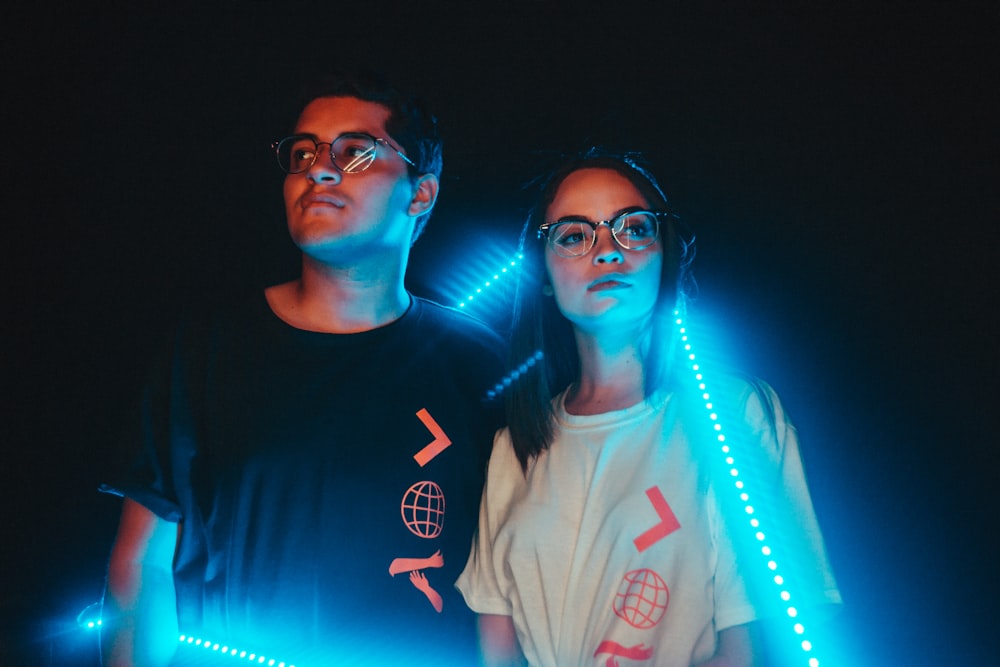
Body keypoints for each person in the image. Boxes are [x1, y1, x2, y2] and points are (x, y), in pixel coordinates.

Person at [99, 71, 505, 667]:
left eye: (355, 152)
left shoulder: (478, 363)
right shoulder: (207, 349)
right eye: (303, 152)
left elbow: (505, 583)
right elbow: (142, 565)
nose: (319, 168)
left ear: (421, 194)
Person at [456, 151, 841, 666]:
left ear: (665, 255)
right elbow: (496, 647)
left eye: (634, 229)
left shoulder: (730, 415)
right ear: (543, 273)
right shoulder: (515, 447)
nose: (608, 252)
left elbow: (755, 643)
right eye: (574, 235)